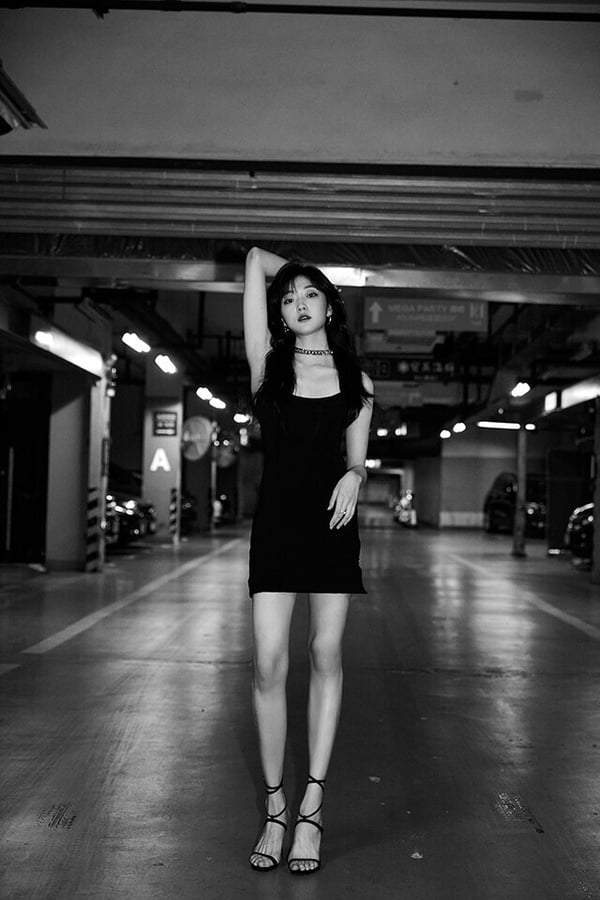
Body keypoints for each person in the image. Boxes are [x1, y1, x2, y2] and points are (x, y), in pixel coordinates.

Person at [243, 247, 374, 875]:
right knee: (269, 662)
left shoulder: (357, 381)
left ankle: (311, 810)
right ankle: (275, 808)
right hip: (275, 529)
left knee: (326, 654)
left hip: (331, 528)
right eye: (289, 297)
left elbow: (358, 458)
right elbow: (252, 260)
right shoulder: (266, 367)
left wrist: (357, 474)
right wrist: (297, 269)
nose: (298, 303)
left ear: (330, 307)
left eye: (310, 294)